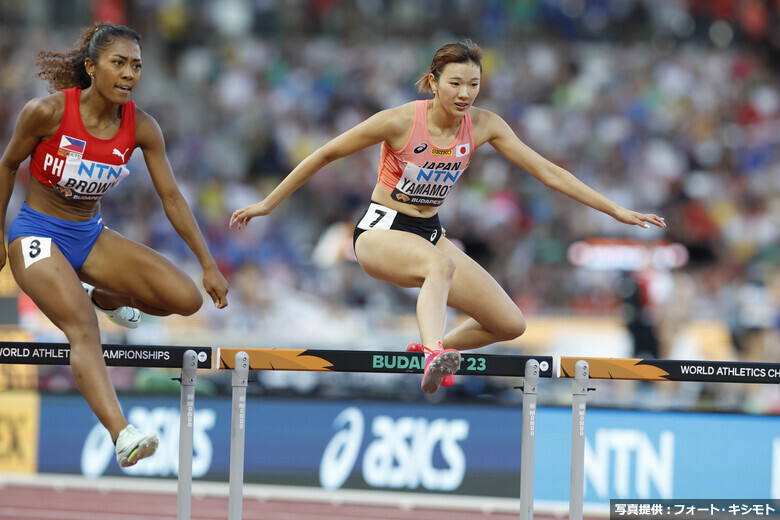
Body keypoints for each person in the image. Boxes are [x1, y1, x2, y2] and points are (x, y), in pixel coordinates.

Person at [230, 39, 665, 395]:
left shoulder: (485, 125)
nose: (465, 94)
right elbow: (325, 153)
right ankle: (434, 352)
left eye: (474, 84)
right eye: (456, 83)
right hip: (381, 231)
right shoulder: (399, 121)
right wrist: (268, 203)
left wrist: (616, 210)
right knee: (441, 264)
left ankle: (432, 350)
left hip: (429, 232)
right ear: (433, 83)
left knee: (509, 323)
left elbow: (549, 171)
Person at [0, 23, 230, 467]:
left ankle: (100, 294)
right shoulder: (45, 113)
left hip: (90, 236)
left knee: (184, 299)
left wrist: (208, 263)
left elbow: (171, 197)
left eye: (137, 66)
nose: (129, 74)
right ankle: (121, 432)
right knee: (83, 328)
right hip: (35, 235)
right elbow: (7, 166)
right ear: (91, 67)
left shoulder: (142, 126)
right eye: (119, 63)